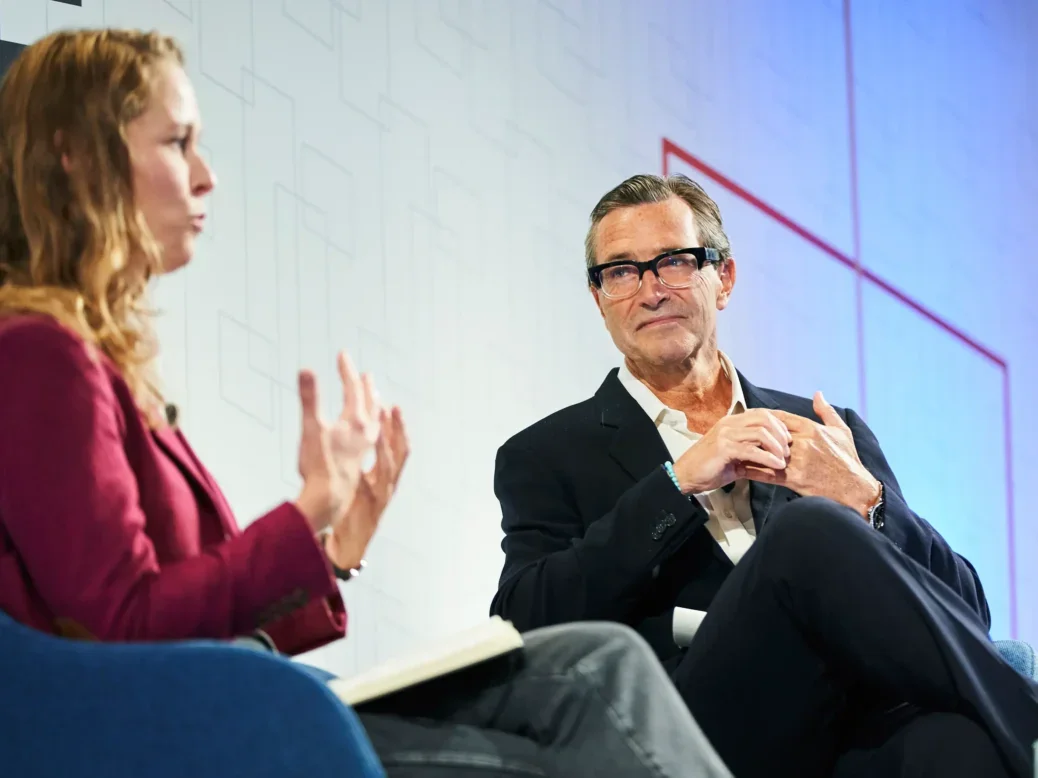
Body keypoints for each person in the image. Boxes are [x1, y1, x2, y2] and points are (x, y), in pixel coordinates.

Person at [0, 30, 732, 778]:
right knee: (576, 701)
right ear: (76, 156)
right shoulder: (39, 353)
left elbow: (204, 634)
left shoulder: (88, 359)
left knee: (597, 660)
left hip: (228, 696)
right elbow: (125, 627)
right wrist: (308, 508)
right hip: (150, 732)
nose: (206, 175)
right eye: (178, 142)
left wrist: (333, 548)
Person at [489, 172, 1038, 778]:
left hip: (845, 730)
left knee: (960, 741)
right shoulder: (546, 453)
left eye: (673, 261)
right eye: (620, 272)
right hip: (699, 730)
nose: (649, 291)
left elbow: (965, 613)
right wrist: (676, 485)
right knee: (806, 532)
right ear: (599, 299)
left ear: (722, 278)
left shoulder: (827, 430)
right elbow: (525, 620)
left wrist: (864, 497)